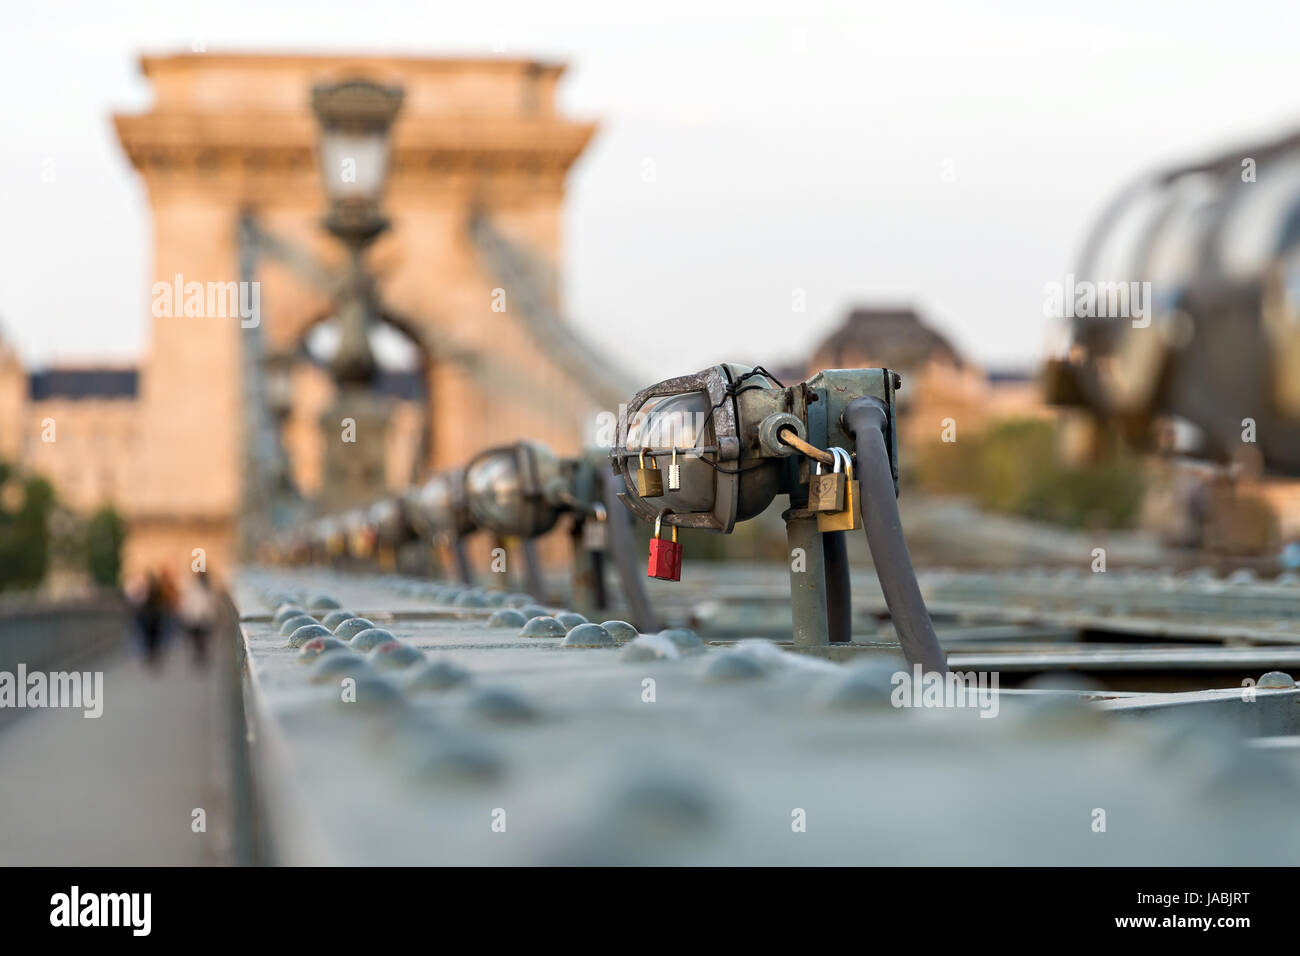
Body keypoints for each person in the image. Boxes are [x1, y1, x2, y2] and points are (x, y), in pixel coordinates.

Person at [179, 570, 220, 667]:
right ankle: (200, 656)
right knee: (200, 640)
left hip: (197, 619)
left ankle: (199, 656)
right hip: (201, 619)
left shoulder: (195, 588)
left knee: (198, 640)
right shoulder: (206, 589)